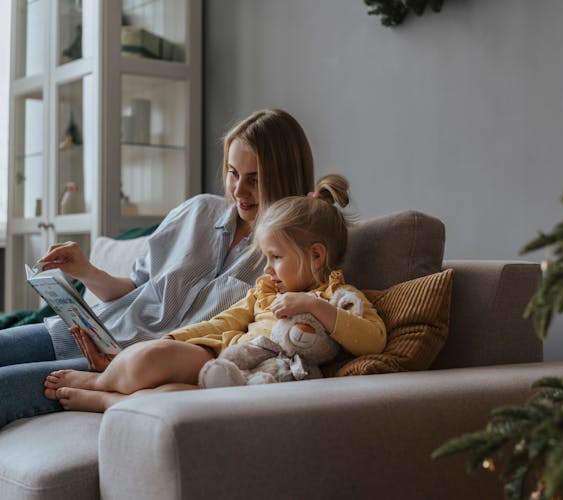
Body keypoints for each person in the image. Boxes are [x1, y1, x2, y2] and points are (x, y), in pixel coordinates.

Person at [0, 109, 315, 428]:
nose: (238, 191)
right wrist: (84, 270)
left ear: (284, 178)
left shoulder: (287, 258)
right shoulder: (198, 211)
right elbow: (135, 286)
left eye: (255, 180)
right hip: (89, 332)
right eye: (233, 173)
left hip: (127, 371)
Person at [44, 175, 387, 412]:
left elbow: (373, 339)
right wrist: (173, 339)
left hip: (263, 380)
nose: (266, 268)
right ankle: (104, 381)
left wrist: (315, 306)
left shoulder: (340, 297)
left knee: (170, 398)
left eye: (276, 258)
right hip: (225, 357)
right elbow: (225, 321)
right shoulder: (264, 292)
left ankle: (105, 400)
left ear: (316, 256)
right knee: (149, 357)